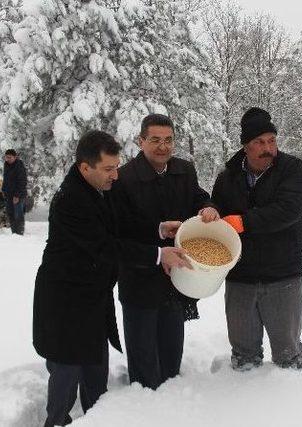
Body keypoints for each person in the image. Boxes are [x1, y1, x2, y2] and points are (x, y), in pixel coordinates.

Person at [32, 130, 191, 427]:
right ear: (85, 167)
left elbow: (123, 224)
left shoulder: (99, 189)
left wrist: (158, 229)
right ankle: (57, 421)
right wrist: (158, 255)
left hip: (93, 298)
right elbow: (105, 246)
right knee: (67, 371)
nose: (115, 175)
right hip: (65, 302)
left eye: (116, 166)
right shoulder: (70, 201)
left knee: (95, 370)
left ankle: (96, 418)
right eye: (108, 168)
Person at [111, 114, 220, 390]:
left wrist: (207, 206)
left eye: (168, 140)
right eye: (155, 140)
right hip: (139, 277)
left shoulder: (183, 169)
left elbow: (197, 196)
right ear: (141, 141)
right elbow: (119, 230)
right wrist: (157, 232)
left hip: (175, 278)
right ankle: (145, 405)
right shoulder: (124, 179)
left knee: (171, 352)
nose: (163, 147)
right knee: (144, 356)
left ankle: (171, 398)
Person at [211, 107, 302, 371]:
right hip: (240, 277)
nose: (268, 148)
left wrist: (244, 222)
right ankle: (243, 405)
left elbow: (289, 210)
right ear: (245, 146)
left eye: (271, 141)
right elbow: (217, 208)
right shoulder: (227, 176)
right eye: (259, 142)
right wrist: (211, 211)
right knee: (243, 357)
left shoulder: (292, 169)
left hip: (283, 276)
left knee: (288, 356)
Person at [1, 149, 27, 235]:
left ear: (15, 157)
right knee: (10, 214)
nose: (8, 159)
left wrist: (17, 195)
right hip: (8, 195)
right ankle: (14, 233)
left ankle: (20, 233)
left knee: (18, 215)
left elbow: (22, 182)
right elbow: (5, 179)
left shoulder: (19, 166)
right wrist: (3, 190)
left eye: (10, 157)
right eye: (6, 157)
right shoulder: (6, 165)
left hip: (18, 195)